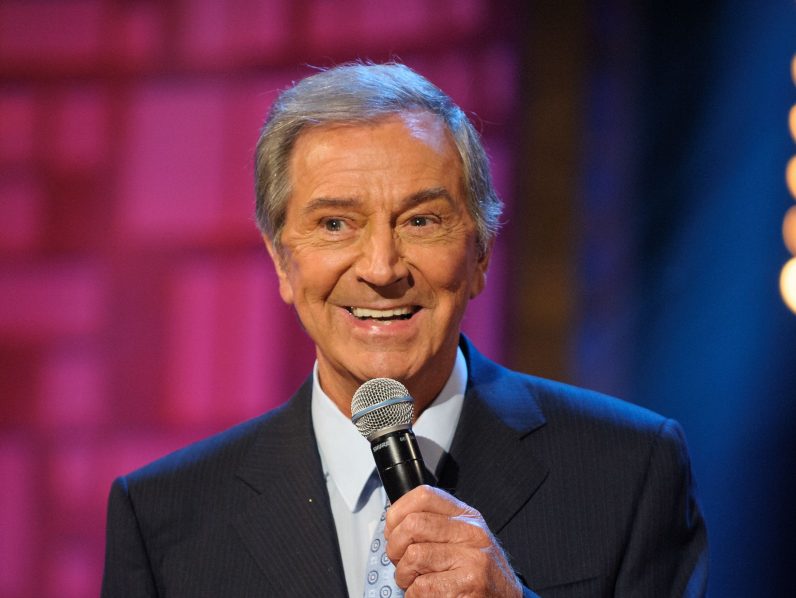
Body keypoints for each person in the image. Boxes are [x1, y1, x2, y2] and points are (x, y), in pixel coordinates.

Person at [101, 62, 708, 597]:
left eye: (421, 221)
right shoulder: (164, 518)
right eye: (335, 224)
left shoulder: (629, 470)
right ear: (283, 262)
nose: (382, 268)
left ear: (481, 254)